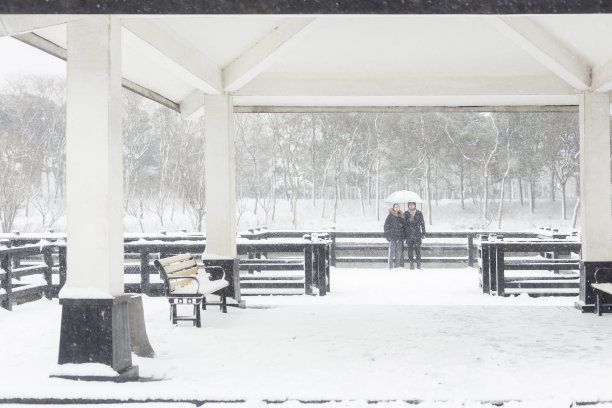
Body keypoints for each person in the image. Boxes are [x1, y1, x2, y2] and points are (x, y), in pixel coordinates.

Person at [404, 201, 426, 269]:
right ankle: (411, 263)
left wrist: (423, 233)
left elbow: (422, 224)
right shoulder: (406, 213)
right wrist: (404, 235)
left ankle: (418, 264)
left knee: (418, 250)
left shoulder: (419, 213)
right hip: (409, 234)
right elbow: (404, 225)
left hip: (417, 233)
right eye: (410, 205)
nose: (411, 206)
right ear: (408, 206)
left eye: (412, 204)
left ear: (415, 205)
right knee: (409, 250)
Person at [384, 203, 406, 269]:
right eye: (395, 207)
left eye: (398, 207)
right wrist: (388, 236)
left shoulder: (401, 216)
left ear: (399, 208)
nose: (396, 208)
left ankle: (397, 266)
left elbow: (404, 227)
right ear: (393, 208)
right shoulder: (390, 216)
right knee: (391, 252)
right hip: (392, 237)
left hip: (400, 237)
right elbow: (386, 226)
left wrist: (404, 236)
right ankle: (390, 267)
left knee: (398, 253)